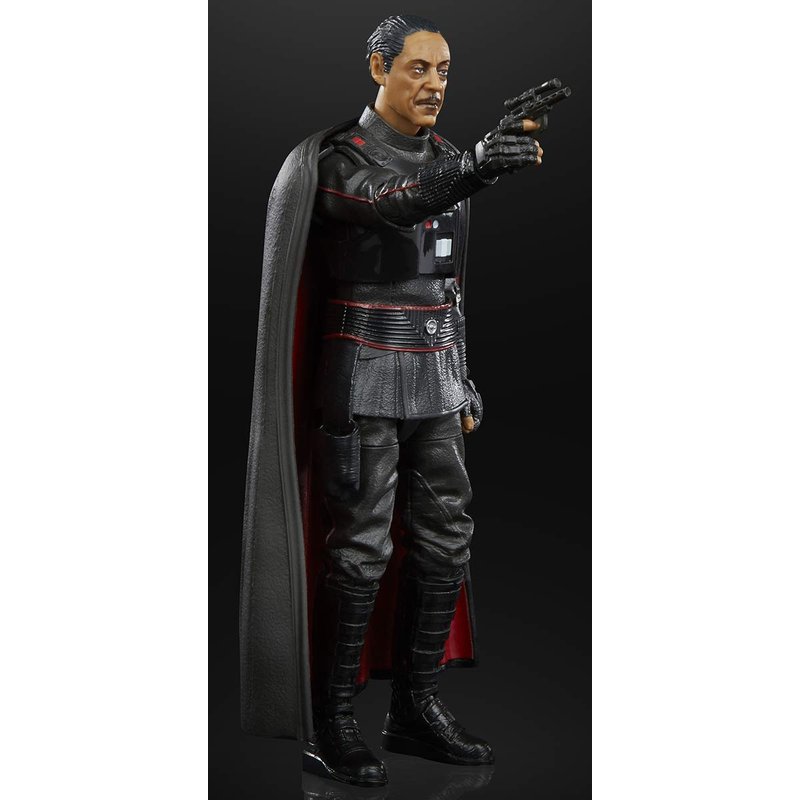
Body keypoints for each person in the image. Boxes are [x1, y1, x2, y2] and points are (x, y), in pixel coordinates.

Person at [240, 14, 548, 789]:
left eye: (444, 71)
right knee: (359, 549)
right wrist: (475, 168)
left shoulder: (447, 158)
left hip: (435, 372)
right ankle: (332, 722)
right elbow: (391, 203)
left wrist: (462, 373)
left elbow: (448, 286)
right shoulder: (339, 160)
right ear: (379, 68)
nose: (434, 84)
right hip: (364, 370)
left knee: (445, 539)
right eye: (418, 68)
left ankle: (416, 706)